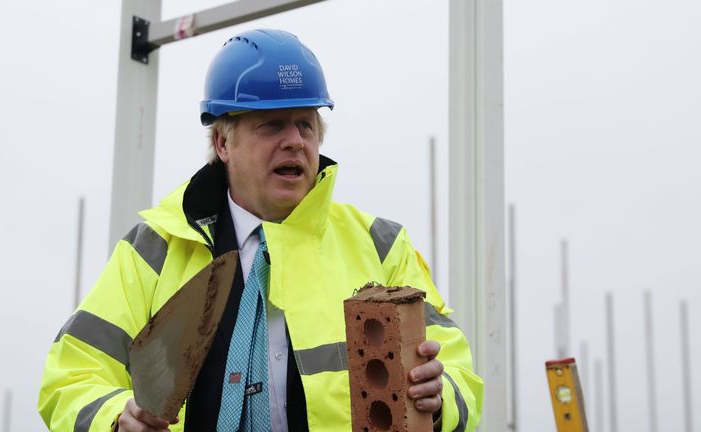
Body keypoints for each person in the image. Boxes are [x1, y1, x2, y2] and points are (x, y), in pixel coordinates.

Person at [38, 28, 483, 432]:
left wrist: (442, 398)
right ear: (222, 143)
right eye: (272, 124)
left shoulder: (381, 247)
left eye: (306, 124)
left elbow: (461, 374)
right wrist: (115, 419)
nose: (295, 141)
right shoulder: (153, 249)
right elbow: (71, 375)